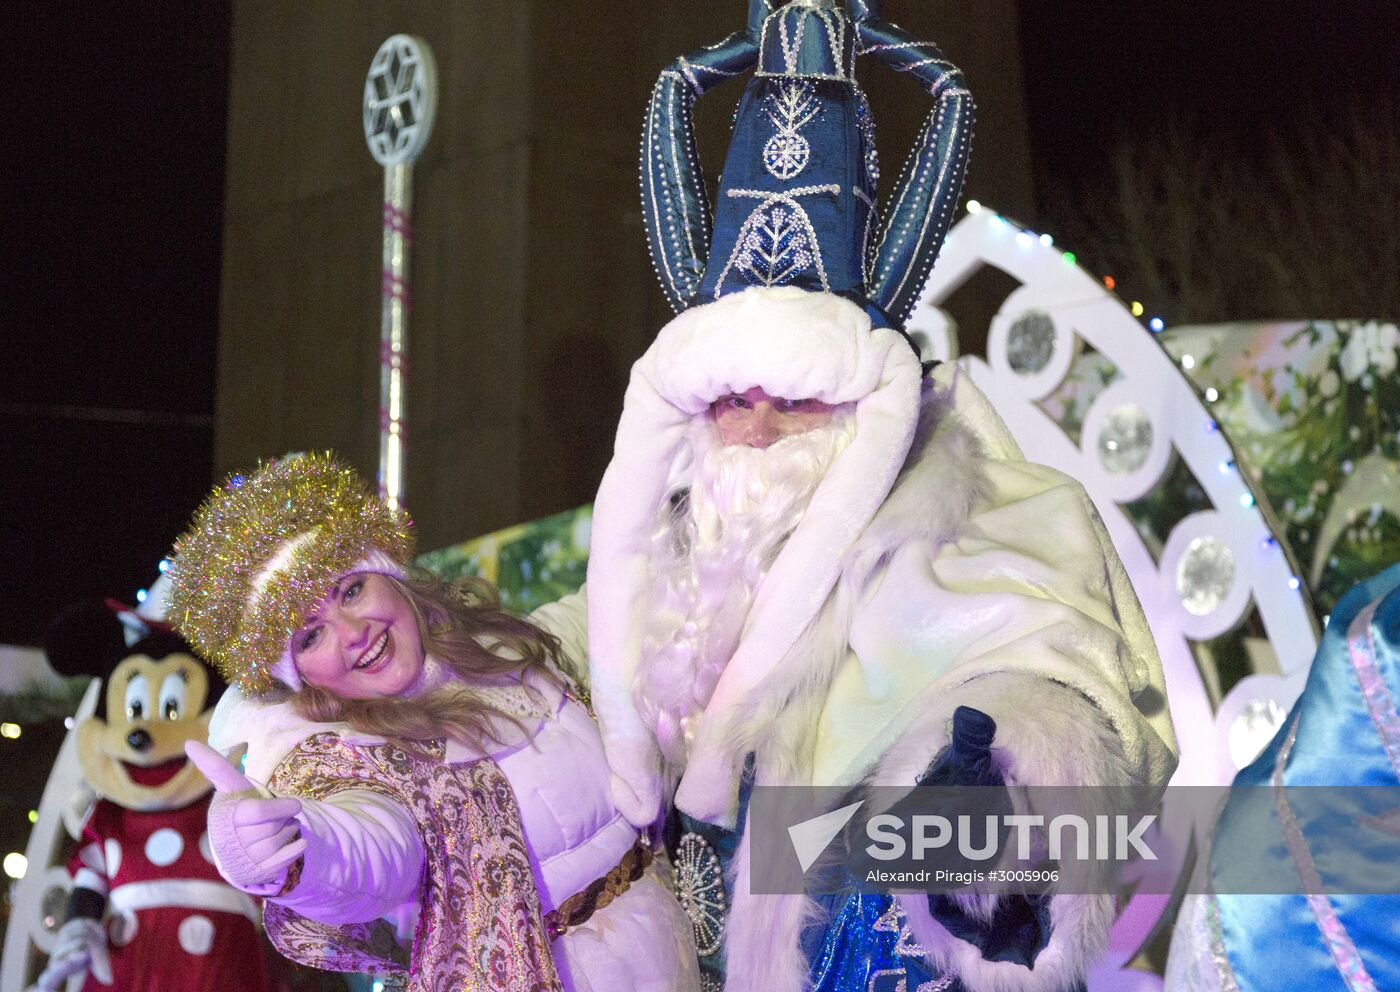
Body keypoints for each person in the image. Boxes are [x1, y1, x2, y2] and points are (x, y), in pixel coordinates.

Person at [585, 2, 1179, 990]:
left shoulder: (1004, 512)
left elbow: (1069, 690)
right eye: (731, 397)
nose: (758, 424)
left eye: (794, 397)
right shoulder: (666, 569)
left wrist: (997, 782)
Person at [166, 453, 699, 992]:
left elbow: (609, 614)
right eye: (311, 635)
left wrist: (698, 506)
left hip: (669, 948)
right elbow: (373, 847)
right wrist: (296, 846)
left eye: (351, 590)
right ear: (296, 675)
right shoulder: (356, 760)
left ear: (391, 578)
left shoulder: (502, 646)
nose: (353, 631)